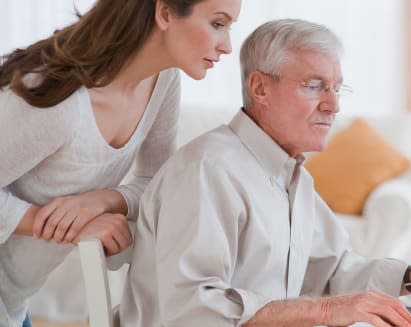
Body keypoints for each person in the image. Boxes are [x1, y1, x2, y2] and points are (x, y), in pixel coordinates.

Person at [121, 18, 411, 327]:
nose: (333, 105)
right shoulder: (206, 171)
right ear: (260, 88)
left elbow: (333, 271)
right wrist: (324, 312)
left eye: (336, 88)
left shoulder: (295, 178)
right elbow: (192, 311)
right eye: (314, 85)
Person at [0, 0, 241, 326]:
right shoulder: (60, 101)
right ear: (165, 13)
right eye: (217, 23)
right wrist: (71, 227)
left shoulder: (163, 81)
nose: (226, 46)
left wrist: (103, 201)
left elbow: (159, 184)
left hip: (15, 300)